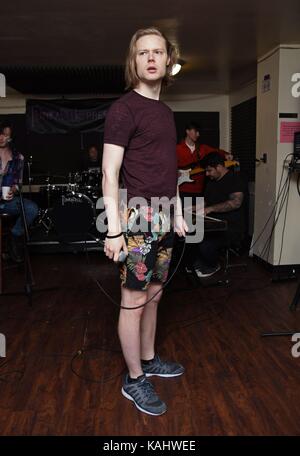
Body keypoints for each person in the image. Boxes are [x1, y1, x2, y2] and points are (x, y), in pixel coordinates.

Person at [102, 27, 188, 416]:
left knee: (155, 292)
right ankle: (134, 378)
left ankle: (150, 359)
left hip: (165, 216)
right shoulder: (124, 109)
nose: (151, 58)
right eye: (142, 53)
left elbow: (165, 169)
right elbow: (109, 172)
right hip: (136, 217)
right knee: (133, 299)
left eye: (157, 52)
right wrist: (115, 230)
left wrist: (179, 211)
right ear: (133, 61)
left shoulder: (166, 112)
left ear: (168, 61)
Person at [187, 152, 245, 278]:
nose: (207, 174)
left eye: (209, 171)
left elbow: (236, 203)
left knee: (205, 243)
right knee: (190, 235)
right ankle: (201, 262)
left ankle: (213, 265)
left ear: (219, 167)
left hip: (230, 226)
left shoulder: (234, 179)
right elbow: (207, 202)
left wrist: (210, 209)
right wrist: (193, 208)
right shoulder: (211, 182)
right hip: (213, 224)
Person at [0, 122, 39, 262]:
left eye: (6, 135)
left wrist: (13, 190)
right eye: (1, 133)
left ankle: (14, 238)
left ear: (11, 138)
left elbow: (19, 183)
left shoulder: (18, 158)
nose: (2, 138)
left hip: (8, 202)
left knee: (31, 209)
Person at [176, 122, 226, 200]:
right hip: (182, 189)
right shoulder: (177, 148)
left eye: (199, 132)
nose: (198, 134)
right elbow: (167, 164)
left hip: (199, 190)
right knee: (184, 212)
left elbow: (216, 151)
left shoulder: (203, 148)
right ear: (188, 131)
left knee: (198, 212)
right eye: (196, 131)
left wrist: (226, 154)